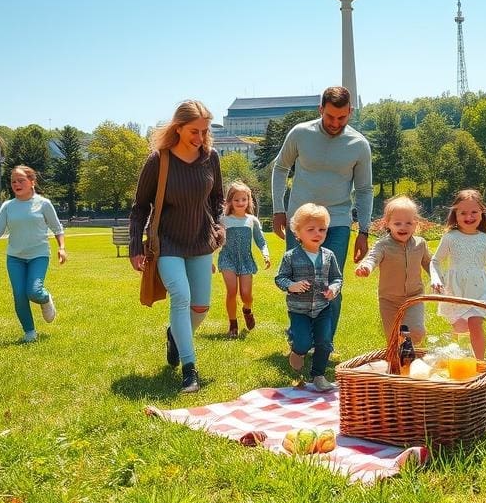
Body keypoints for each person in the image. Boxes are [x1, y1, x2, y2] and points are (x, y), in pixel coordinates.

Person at [129, 100, 224, 395]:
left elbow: (217, 199)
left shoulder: (211, 158)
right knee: (180, 297)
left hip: (200, 240)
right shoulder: (160, 160)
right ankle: (189, 369)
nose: (200, 138)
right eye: (194, 131)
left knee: (201, 306)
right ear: (178, 128)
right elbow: (140, 206)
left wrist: (219, 225)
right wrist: (136, 245)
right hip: (167, 242)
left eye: (204, 131)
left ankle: (174, 335)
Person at [271, 86, 373, 346]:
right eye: (330, 117)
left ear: (350, 112)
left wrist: (363, 231)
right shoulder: (300, 133)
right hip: (300, 221)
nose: (335, 123)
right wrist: (278, 210)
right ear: (320, 110)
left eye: (342, 117)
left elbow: (363, 189)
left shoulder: (359, 145)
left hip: (336, 223)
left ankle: (324, 344)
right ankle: (301, 337)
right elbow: (281, 167)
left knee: (331, 286)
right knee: (299, 282)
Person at [0, 166, 64, 342]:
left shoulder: (44, 204)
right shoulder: (8, 206)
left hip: (38, 255)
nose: (16, 184)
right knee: (19, 295)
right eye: (13, 181)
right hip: (15, 257)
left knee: (34, 291)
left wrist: (62, 247)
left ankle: (45, 298)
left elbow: (57, 228)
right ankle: (29, 333)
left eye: (21, 180)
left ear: (32, 182)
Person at [429, 189, 486, 359]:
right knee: (460, 327)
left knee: (475, 324)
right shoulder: (450, 237)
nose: (469, 217)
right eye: (463, 212)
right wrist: (436, 279)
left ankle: (479, 363)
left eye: (474, 212)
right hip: (455, 290)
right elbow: (435, 261)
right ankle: (457, 359)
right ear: (455, 214)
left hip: (478, 290)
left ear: (482, 212)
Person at [274, 203, 343, 392]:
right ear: (297, 231)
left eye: (322, 229)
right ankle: (298, 350)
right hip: (299, 310)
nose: (317, 233)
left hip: (323, 308)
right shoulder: (291, 257)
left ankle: (318, 375)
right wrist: (292, 286)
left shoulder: (328, 256)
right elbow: (280, 278)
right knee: (303, 341)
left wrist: (334, 288)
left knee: (324, 342)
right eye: (310, 229)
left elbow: (337, 277)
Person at [355, 195, 433, 344]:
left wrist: (439, 279)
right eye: (397, 223)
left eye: (409, 223)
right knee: (393, 339)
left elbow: (430, 264)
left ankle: (409, 342)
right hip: (388, 301)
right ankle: (398, 361)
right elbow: (373, 257)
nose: (403, 227)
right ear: (387, 223)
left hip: (414, 297)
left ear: (416, 224)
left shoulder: (420, 244)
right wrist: (366, 267)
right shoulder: (383, 245)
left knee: (416, 332)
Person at [218, 180, 270, 339]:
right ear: (229, 202)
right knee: (232, 291)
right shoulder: (223, 220)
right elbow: (216, 240)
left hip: (246, 260)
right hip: (228, 258)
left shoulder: (252, 220)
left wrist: (265, 254)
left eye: (244, 199)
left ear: (249, 200)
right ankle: (233, 324)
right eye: (236, 200)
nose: (240, 203)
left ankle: (247, 310)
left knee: (246, 294)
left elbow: (260, 240)